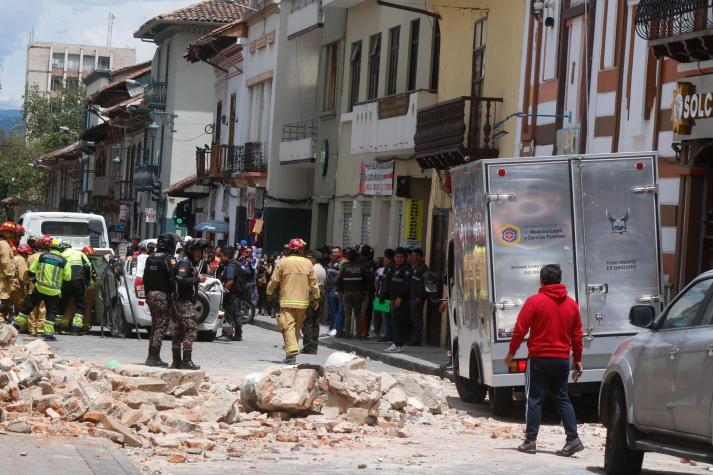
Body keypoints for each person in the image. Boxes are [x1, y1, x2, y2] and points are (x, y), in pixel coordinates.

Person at [505, 264, 584, 456]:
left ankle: (530, 441)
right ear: (559, 280)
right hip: (561, 360)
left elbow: (520, 329)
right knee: (562, 397)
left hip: (539, 359)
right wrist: (577, 359)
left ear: (541, 280)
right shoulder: (572, 304)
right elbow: (578, 336)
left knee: (534, 398)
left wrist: (511, 353)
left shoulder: (534, 301)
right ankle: (573, 439)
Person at [266, 238, 319, 364]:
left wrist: (269, 292)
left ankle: (292, 353)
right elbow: (314, 283)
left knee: (288, 326)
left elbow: (274, 280)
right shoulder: (308, 263)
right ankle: (290, 355)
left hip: (287, 300)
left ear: (290, 249)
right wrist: (316, 298)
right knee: (296, 328)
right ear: (301, 250)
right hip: (303, 302)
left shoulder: (283, 262)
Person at [13, 237, 71, 341]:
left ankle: (16, 325)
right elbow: (68, 277)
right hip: (53, 292)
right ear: (61, 249)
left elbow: (31, 271)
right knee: (51, 313)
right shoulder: (64, 261)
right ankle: (48, 333)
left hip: (39, 289)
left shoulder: (42, 257)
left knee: (28, 307)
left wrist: (35, 281)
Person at [143, 233, 179, 367]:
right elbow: (173, 279)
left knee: (155, 325)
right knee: (161, 325)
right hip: (163, 295)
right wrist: (175, 295)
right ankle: (154, 356)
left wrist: (147, 295)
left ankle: (150, 355)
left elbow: (145, 277)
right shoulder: (169, 259)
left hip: (151, 294)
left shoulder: (150, 258)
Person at [173, 238, 208, 370]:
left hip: (186, 301)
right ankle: (185, 361)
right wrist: (197, 279)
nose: (199, 254)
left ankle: (177, 362)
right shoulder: (184, 263)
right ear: (190, 251)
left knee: (180, 330)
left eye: (201, 251)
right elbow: (180, 280)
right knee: (190, 330)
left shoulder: (190, 264)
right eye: (197, 251)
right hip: (183, 300)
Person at [57, 242, 93, 334]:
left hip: (65, 282)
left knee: (62, 304)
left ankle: (58, 327)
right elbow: (88, 265)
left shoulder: (61, 255)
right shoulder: (79, 253)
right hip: (78, 281)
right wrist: (88, 280)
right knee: (80, 304)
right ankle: (76, 328)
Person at [336, 247, 369, 339]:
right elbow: (367, 280)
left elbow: (338, 280)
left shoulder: (344, 267)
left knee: (348, 314)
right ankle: (358, 334)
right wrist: (365, 290)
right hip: (358, 293)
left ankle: (347, 334)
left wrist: (339, 290)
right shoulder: (362, 267)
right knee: (358, 315)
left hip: (347, 293)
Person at [385, 248, 410, 353]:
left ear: (405, 258)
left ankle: (398, 344)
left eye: (401, 257)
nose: (399, 259)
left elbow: (406, 285)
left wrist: (400, 297)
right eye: (397, 257)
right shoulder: (395, 268)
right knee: (395, 321)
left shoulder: (406, 269)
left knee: (398, 322)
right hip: (393, 299)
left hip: (401, 300)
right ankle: (397, 343)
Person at [218, 246, 245, 342]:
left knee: (229, 314)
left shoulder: (231, 266)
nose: (220, 258)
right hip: (237, 294)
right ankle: (238, 335)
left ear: (227, 256)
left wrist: (224, 293)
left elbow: (230, 281)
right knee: (236, 313)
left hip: (231, 294)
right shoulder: (236, 264)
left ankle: (227, 334)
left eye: (222, 256)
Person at [302, 250, 326, 354]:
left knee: (308, 323)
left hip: (311, 296)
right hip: (319, 296)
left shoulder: (312, 269)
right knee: (315, 323)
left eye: (308, 257)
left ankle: (308, 347)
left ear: (313, 258)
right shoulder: (322, 269)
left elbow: (309, 284)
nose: (307, 259)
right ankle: (314, 347)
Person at [25, 236, 48, 336]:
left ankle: (32, 329)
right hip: (45, 285)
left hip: (32, 284)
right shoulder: (49, 257)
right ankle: (40, 329)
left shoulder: (32, 257)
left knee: (32, 307)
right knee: (42, 307)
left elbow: (27, 272)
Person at [407, 248, 428, 346]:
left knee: (417, 319)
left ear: (419, 257)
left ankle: (416, 339)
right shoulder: (415, 268)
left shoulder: (423, 268)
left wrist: (420, 296)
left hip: (417, 298)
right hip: (412, 297)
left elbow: (423, 284)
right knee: (412, 318)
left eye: (414, 255)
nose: (412, 257)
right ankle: (412, 338)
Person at [9, 244, 32, 329]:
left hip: (10, 286)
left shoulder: (14, 258)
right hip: (16, 287)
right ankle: (24, 328)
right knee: (23, 307)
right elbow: (22, 277)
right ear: (25, 253)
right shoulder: (21, 260)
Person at [325, 246, 346, 337]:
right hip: (329, 288)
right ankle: (331, 327)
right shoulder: (331, 263)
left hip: (336, 289)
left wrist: (339, 289)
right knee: (332, 310)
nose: (333, 254)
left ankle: (336, 328)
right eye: (332, 252)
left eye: (336, 252)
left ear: (340, 253)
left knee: (337, 310)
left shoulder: (342, 262)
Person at [374, 249, 394, 341]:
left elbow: (380, 283)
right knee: (386, 316)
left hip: (383, 295)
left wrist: (379, 294)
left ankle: (387, 334)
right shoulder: (393, 267)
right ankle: (387, 333)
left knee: (385, 316)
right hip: (386, 294)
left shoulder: (385, 268)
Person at [0, 221, 18, 323]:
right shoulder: (4, 244)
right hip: (3, 278)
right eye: (12, 233)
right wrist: (11, 275)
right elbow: (5, 261)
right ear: (7, 232)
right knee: (4, 298)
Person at [359, 245, 376, 338]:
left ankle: (364, 331)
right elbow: (370, 279)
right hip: (369, 292)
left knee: (365, 312)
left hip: (368, 292)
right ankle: (365, 331)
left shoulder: (361, 263)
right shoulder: (370, 264)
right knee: (366, 312)